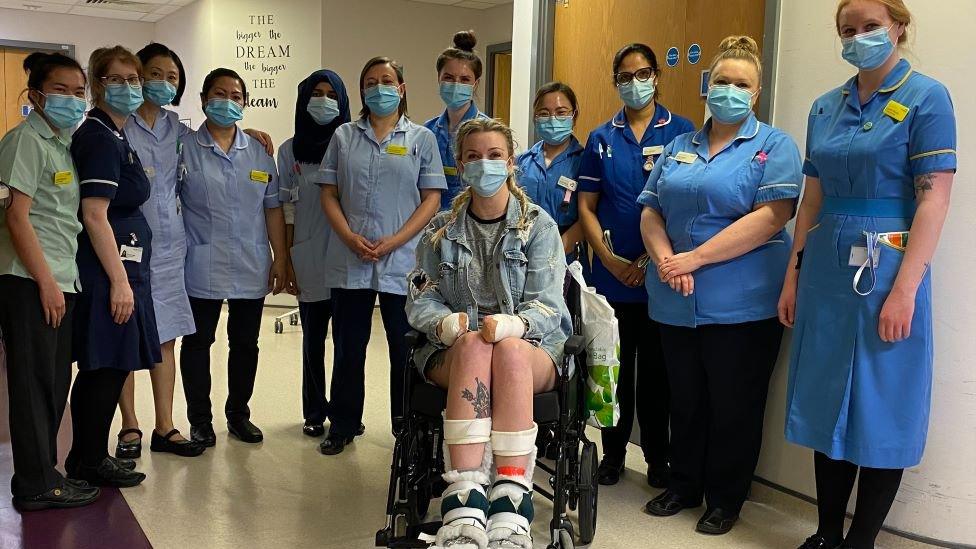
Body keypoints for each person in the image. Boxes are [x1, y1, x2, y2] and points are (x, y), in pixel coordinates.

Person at [779, 2, 956, 548]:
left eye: (871, 27)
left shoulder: (927, 97)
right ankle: (827, 534)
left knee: (882, 405)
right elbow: (811, 199)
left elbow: (934, 200)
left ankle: (862, 541)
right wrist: (793, 274)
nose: (859, 38)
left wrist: (906, 289)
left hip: (890, 269)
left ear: (899, 28)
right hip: (828, 271)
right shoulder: (824, 107)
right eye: (847, 31)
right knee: (825, 394)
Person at [638, 36, 802, 536]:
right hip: (674, 297)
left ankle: (725, 497)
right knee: (684, 397)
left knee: (735, 403)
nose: (729, 90)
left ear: (756, 92)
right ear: (708, 86)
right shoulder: (678, 145)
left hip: (743, 304)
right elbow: (650, 209)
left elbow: (774, 215)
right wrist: (668, 261)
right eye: (722, 82)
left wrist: (696, 257)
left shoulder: (773, 146)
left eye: (742, 84)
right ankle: (684, 483)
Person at [406, 117, 572, 549]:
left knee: (509, 350)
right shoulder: (439, 230)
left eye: (495, 156)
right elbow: (419, 298)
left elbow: (550, 306)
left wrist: (515, 324)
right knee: (473, 345)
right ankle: (464, 501)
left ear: (511, 163)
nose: (485, 164)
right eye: (474, 157)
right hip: (459, 353)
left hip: (529, 350)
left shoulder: (539, 227)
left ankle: (512, 502)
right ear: (460, 166)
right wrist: (443, 322)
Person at [577, 43, 694, 488]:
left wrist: (648, 260)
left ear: (657, 75)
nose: (634, 83)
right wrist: (608, 258)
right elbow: (587, 206)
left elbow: (680, 205)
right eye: (624, 76)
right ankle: (613, 454)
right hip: (611, 275)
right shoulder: (601, 138)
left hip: (660, 275)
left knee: (658, 377)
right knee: (613, 370)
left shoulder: (682, 132)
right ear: (615, 82)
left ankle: (658, 459)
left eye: (642, 73)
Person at [317, 56, 445, 455]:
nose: (379, 88)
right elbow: (328, 192)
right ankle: (342, 423)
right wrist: (349, 236)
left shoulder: (421, 138)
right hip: (350, 257)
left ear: (402, 88)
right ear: (362, 92)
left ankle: (405, 426)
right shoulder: (343, 136)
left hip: (402, 261)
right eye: (370, 82)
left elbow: (432, 199)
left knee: (403, 348)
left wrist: (395, 241)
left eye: (387, 81)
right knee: (348, 346)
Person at [0, 53, 101, 511]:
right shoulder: (25, 141)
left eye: (79, 91)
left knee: (53, 379)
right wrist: (45, 282)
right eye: (61, 90)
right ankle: (35, 483)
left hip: (61, 277)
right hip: (30, 280)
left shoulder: (62, 143)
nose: (72, 99)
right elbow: (16, 217)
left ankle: (46, 472)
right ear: (37, 94)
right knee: (33, 382)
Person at [179, 68, 288, 447]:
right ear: (204, 98)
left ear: (245, 103)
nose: (228, 101)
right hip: (200, 261)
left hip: (250, 261)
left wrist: (281, 258)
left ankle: (239, 414)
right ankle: (200, 420)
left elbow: (272, 209)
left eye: (236, 95)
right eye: (219, 93)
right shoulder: (185, 147)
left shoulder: (259, 151)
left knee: (245, 343)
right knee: (197, 343)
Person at [67, 45, 160, 488]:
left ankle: (88, 456)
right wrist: (119, 282)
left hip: (120, 268)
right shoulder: (100, 137)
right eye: (115, 80)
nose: (128, 88)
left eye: (133, 79)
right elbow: (94, 213)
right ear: (98, 84)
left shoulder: (116, 134)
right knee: (104, 367)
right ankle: (87, 461)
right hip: (108, 272)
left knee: (109, 367)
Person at [114, 43, 203, 460]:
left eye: (172, 77)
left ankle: (164, 425)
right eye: (155, 73)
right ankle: (129, 424)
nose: (163, 83)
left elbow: (210, 145)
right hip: (124, 244)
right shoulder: (116, 124)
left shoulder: (179, 130)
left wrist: (253, 135)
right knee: (123, 332)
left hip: (169, 247)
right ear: (137, 75)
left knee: (165, 335)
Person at [276, 69, 351, 441]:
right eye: (316, 93)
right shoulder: (289, 150)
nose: (324, 101)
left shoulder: (352, 144)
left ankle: (343, 412)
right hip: (307, 254)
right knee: (313, 341)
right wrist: (287, 258)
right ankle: (313, 411)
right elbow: (287, 208)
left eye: (331, 94)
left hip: (346, 256)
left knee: (348, 344)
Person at [516, 82, 584, 255]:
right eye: (544, 114)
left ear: (574, 115)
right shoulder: (522, 162)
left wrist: (554, 251)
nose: (553, 119)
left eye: (561, 112)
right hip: (522, 250)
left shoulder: (585, 162)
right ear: (535, 118)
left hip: (566, 252)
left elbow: (590, 215)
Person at [424, 30, 489, 210]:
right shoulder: (427, 131)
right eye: (449, 78)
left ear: (475, 84)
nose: (456, 84)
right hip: (431, 224)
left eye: (465, 79)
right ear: (439, 79)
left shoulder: (489, 131)